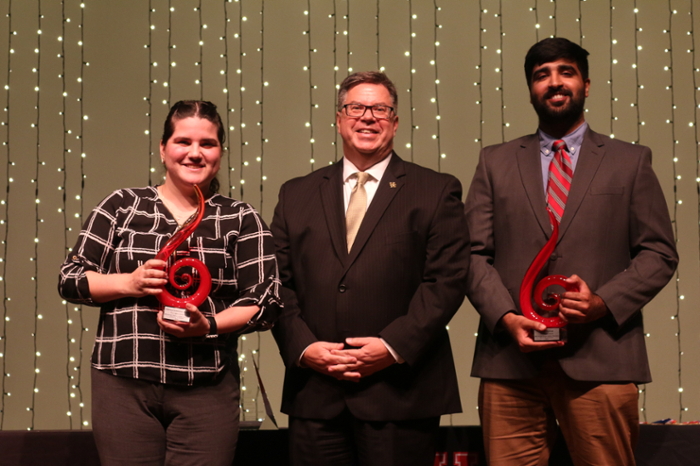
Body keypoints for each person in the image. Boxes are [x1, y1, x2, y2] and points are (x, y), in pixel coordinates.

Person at [465, 37, 679, 466]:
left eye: (566, 71)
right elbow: (471, 255)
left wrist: (602, 303)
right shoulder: (495, 162)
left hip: (601, 358)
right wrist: (507, 318)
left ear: (586, 84)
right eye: (541, 75)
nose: (554, 82)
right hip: (511, 363)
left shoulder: (630, 161)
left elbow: (658, 253)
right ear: (531, 89)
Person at [58, 100, 281, 466]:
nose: (195, 153)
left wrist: (206, 325)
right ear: (163, 149)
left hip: (206, 384)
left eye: (207, 144)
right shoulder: (122, 206)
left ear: (220, 153)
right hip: (122, 382)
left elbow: (265, 301)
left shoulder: (239, 217)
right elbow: (70, 279)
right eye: (183, 142)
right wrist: (129, 283)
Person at [271, 71, 469, 466]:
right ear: (339, 119)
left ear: (395, 122)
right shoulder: (296, 193)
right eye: (356, 108)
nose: (367, 117)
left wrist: (392, 347)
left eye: (380, 109)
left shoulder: (436, 189)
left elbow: (446, 281)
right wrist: (305, 347)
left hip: (400, 394)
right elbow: (277, 282)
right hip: (316, 394)